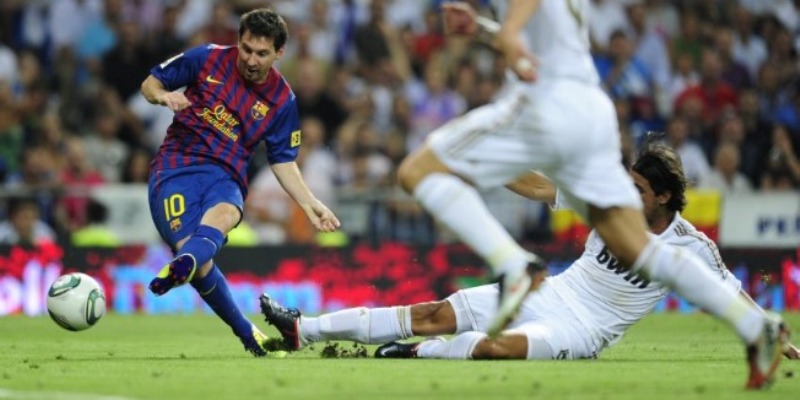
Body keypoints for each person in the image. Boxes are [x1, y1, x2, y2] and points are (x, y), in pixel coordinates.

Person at [389, 1, 786, 389]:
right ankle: (757, 329)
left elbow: (521, 35)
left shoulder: (692, 240)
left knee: (416, 170)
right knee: (640, 250)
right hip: (592, 112)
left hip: (557, 107)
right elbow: (550, 48)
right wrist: (482, 30)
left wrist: (504, 32)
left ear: (664, 196)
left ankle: (511, 263)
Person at [259, 144, 799, 363]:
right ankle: (305, 328)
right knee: (432, 313)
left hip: (581, 332)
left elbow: (733, 293)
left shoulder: (691, 245)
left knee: (495, 350)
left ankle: (417, 354)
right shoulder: (607, 204)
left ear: (662, 196)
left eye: (637, 188)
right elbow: (541, 187)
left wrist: (774, 333)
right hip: (547, 293)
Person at [140, 8, 340, 357]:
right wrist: (163, 96)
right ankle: (245, 329)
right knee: (198, 258)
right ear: (238, 40)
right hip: (175, 169)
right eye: (246, 49)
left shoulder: (282, 100)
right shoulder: (206, 58)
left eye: (261, 53)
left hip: (226, 175)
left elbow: (283, 160)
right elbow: (150, 83)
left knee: (228, 212)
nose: (250, 59)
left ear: (279, 53)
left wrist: (310, 204)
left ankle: (185, 264)